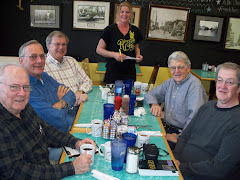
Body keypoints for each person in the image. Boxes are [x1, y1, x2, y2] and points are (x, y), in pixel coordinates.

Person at [0, 64, 96, 179]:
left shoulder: (24, 107)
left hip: (45, 168)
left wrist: (76, 142)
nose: (21, 93)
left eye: (26, 87)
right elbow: (19, 172)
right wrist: (72, 167)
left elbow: (46, 130)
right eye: (14, 87)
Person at [173, 62, 240, 179]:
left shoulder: (237, 122)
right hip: (180, 169)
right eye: (220, 80)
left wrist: (181, 167)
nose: (222, 86)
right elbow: (184, 137)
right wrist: (175, 160)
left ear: (239, 88)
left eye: (230, 82)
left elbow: (219, 168)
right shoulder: (207, 107)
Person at [19, 40, 77, 161]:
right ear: (21, 61)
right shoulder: (24, 88)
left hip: (66, 132)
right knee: (89, 153)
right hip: (48, 147)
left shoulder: (44, 76)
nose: (39, 61)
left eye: (42, 56)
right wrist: (62, 106)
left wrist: (60, 103)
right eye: (33, 57)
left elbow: (71, 94)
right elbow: (59, 122)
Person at [145, 51, 207, 149]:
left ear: (188, 68)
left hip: (183, 134)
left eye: (180, 67)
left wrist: (179, 137)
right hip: (167, 128)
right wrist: (154, 104)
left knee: (152, 150)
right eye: (173, 68)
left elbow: (194, 118)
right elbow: (150, 94)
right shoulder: (171, 82)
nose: (176, 71)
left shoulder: (195, 86)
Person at [96, 1, 143, 83]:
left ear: (131, 14)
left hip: (130, 72)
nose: (124, 14)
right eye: (122, 11)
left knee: (128, 95)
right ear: (118, 13)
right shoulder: (109, 30)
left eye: (127, 12)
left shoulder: (135, 30)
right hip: (113, 72)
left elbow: (136, 47)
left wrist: (138, 55)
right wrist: (114, 54)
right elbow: (99, 49)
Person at [44, 31, 93, 105]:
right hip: (63, 110)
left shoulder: (71, 61)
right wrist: (72, 99)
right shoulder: (42, 66)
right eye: (57, 44)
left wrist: (80, 91)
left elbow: (87, 81)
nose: (61, 47)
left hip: (80, 103)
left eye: (64, 44)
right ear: (48, 46)